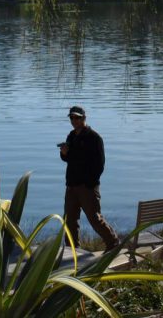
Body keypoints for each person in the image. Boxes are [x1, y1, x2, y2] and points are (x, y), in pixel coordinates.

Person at [60, 106, 118, 250]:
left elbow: (100, 164)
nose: (74, 120)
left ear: (84, 118)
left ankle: (113, 244)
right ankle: (71, 250)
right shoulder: (71, 136)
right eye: (72, 118)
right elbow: (67, 159)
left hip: (87, 187)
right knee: (69, 221)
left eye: (77, 118)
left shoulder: (94, 138)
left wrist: (89, 184)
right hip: (71, 186)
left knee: (94, 219)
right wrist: (64, 153)